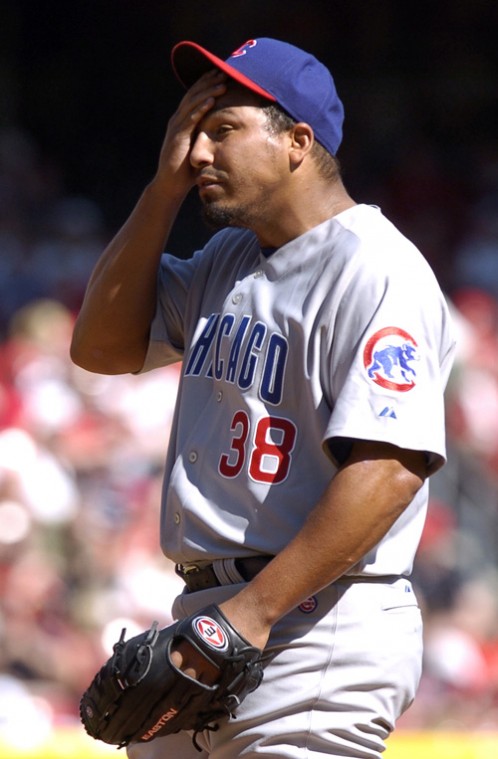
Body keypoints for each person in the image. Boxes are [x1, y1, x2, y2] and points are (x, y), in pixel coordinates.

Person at [70, 37, 456, 759]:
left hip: (319, 623)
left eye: (223, 130)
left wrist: (246, 616)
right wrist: (161, 192)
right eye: (193, 131)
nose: (197, 153)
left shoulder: (376, 268)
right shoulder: (228, 259)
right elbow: (101, 347)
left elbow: (390, 471)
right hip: (211, 616)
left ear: (297, 143)